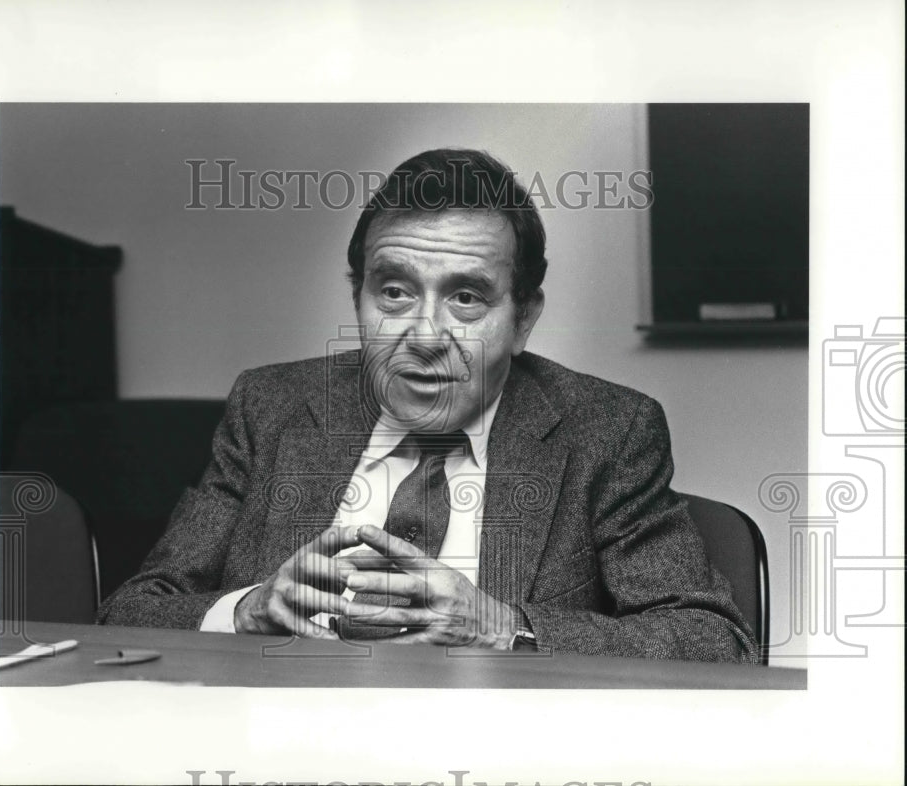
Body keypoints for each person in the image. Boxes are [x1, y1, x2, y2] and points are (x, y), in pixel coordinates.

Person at [98, 148, 759, 662]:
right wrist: (247, 610)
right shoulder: (270, 406)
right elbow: (129, 613)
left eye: (466, 297)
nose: (423, 336)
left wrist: (502, 629)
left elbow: (713, 641)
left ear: (524, 318)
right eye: (393, 292)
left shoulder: (608, 431)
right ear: (358, 297)